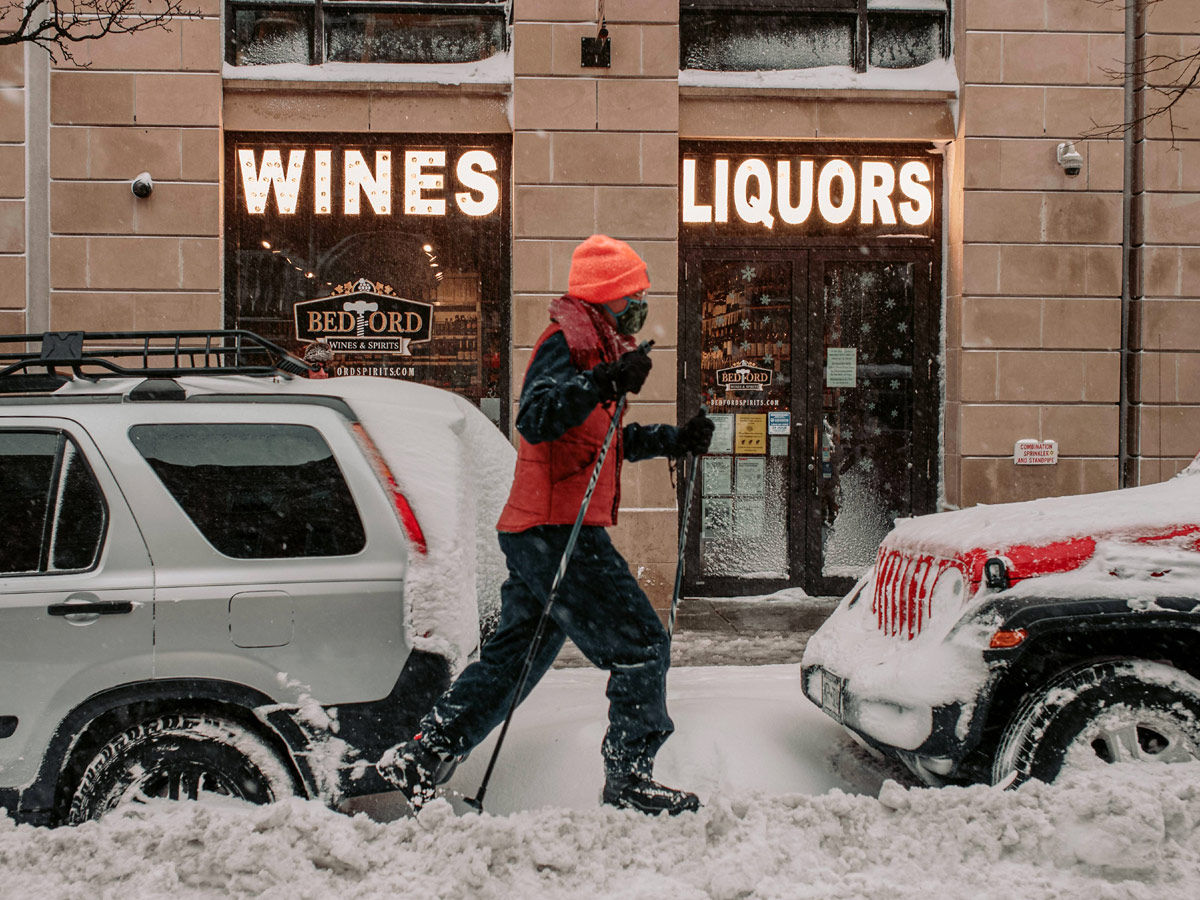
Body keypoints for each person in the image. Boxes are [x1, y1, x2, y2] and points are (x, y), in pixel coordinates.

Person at [381, 235, 714, 815]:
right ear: (607, 298)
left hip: (542, 529)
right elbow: (535, 418)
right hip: (558, 532)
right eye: (632, 295)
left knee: (512, 661)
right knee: (640, 644)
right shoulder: (567, 344)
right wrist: (604, 383)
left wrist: (672, 441)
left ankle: (420, 757)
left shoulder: (598, 347)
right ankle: (630, 780)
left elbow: (599, 443)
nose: (640, 305)